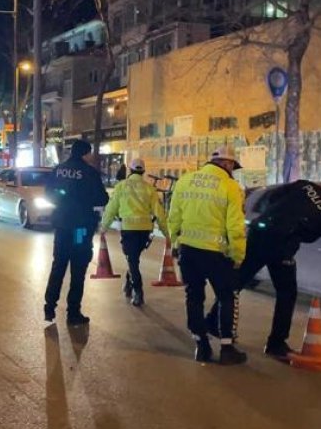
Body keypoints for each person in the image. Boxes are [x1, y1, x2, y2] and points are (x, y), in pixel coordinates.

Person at [210, 181, 321, 361]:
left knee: (238, 281)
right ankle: (276, 344)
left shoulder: (306, 186)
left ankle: (212, 321)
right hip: (280, 244)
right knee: (287, 293)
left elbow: (274, 196)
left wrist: (276, 216)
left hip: (260, 232)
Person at [168, 146, 248, 365]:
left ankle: (201, 345)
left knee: (194, 296)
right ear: (227, 164)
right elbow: (235, 225)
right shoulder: (231, 186)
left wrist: (175, 242)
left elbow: (173, 215)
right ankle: (226, 348)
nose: (233, 170)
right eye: (233, 166)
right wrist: (238, 254)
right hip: (216, 253)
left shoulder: (185, 180)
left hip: (188, 249)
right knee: (227, 296)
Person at [44, 140, 109, 325]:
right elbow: (102, 198)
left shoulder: (59, 170)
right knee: (78, 269)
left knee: (58, 266)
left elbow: (48, 193)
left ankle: (49, 307)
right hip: (80, 228)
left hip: (62, 226)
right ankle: (73, 313)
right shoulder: (90, 173)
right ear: (85, 153)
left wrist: (64, 200)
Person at [99, 158, 169, 307]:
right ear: (143, 171)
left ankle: (138, 291)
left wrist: (104, 226)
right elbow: (159, 211)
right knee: (133, 258)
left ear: (130, 170)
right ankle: (129, 284)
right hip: (144, 230)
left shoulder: (121, 186)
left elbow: (111, 208)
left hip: (129, 229)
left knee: (132, 260)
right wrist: (166, 231)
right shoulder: (149, 188)